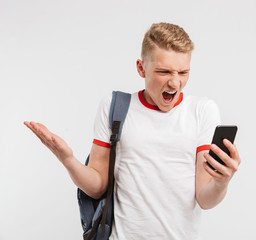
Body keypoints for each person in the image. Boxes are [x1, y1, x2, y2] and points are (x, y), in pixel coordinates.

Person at [24, 22, 241, 240]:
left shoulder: (203, 110)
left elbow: (205, 199)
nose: (175, 82)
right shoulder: (115, 106)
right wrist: (68, 159)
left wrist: (222, 182)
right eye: (164, 71)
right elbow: (98, 186)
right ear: (141, 68)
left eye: (183, 72)